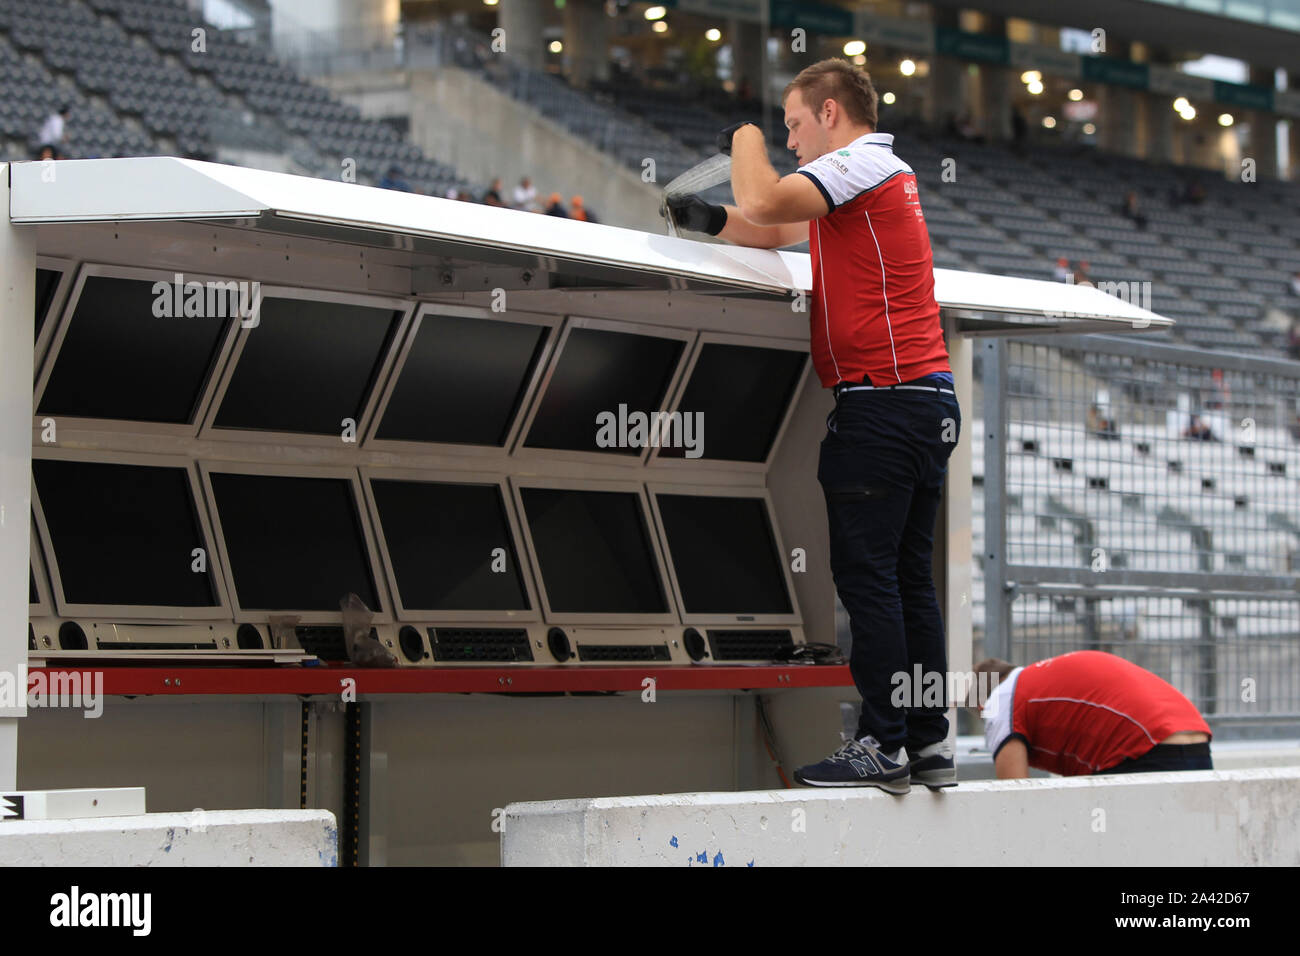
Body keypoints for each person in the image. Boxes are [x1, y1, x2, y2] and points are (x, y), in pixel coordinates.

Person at [663, 58, 959, 793]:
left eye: (795, 123)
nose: (791, 140)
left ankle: (882, 744)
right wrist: (703, 221)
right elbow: (770, 229)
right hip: (922, 400)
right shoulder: (867, 178)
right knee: (907, 582)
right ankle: (926, 744)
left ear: (830, 112)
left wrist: (743, 135)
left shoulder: (858, 161)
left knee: (871, 582)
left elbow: (761, 198)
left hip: (882, 405)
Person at [972, 652, 1212, 777]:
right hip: (1194, 740)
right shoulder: (1041, 683)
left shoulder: (1002, 698)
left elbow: (1015, 802)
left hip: (1145, 750)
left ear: (983, 706)